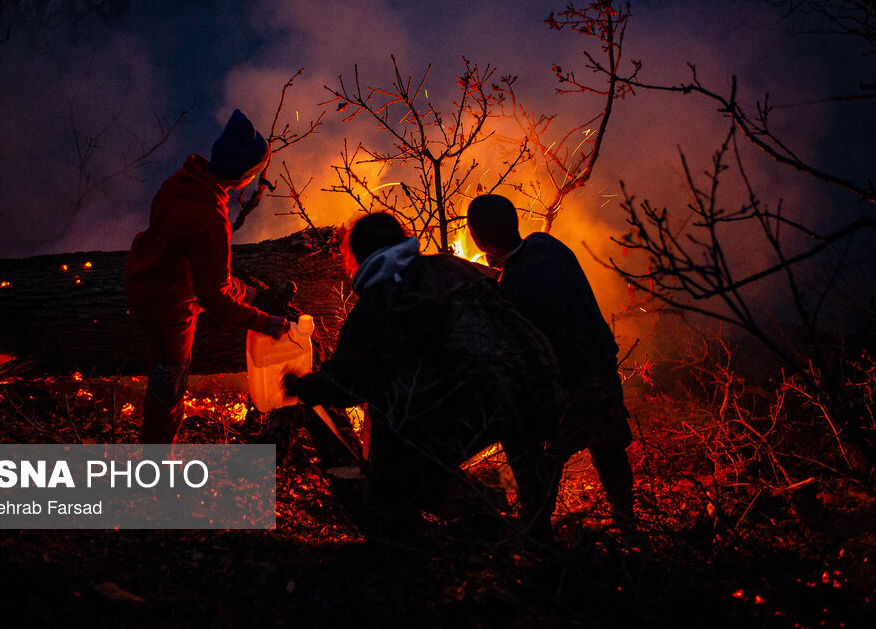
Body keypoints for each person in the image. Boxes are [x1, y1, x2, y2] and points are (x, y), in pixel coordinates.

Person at [284, 212, 565, 538]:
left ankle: (455, 534)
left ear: (358, 256)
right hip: (538, 382)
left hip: (478, 401)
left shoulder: (379, 300)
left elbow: (346, 383)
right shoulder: (453, 266)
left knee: (388, 477)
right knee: (524, 453)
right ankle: (534, 539)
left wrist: (302, 385)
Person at [125, 109, 289, 444]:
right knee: (168, 388)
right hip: (170, 311)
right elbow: (212, 295)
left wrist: (252, 296)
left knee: (162, 379)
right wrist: (263, 322)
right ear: (243, 176)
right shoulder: (211, 219)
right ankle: (157, 463)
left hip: (144, 279)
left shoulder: (180, 183)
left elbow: (210, 276)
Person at [467, 194, 635, 520]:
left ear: (478, 240)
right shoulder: (547, 246)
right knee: (610, 451)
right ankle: (627, 522)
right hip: (601, 373)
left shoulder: (511, 291)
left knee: (539, 469)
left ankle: (537, 532)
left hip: (566, 395)